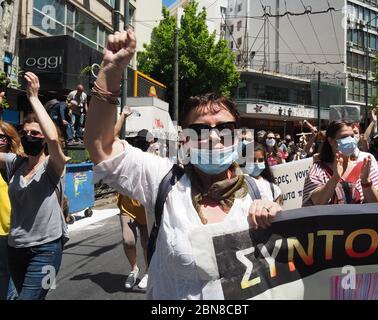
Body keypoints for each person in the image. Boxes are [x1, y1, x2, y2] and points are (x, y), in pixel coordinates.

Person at [84, 28, 282, 300]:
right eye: (200, 130)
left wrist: (275, 216)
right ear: (184, 138)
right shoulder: (162, 180)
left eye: (224, 127)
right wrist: (111, 71)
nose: (213, 137)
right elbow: (101, 147)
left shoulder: (262, 191)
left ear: (238, 134)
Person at [0, 73, 67, 300]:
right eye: (26, 132)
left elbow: (54, 140)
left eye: (35, 133)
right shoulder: (13, 164)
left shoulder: (53, 165)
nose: (30, 136)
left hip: (47, 250)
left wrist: (34, 98)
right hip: (15, 249)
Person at [303, 121, 378, 206]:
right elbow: (317, 202)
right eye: (344, 137)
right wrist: (335, 178)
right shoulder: (318, 169)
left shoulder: (365, 166)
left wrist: (366, 181)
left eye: (352, 136)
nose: (350, 140)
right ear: (331, 141)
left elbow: (376, 204)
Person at [114, 108, 149, 290]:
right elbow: (109, 139)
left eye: (145, 142)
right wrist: (123, 116)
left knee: (146, 242)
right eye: (139, 141)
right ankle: (134, 269)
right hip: (127, 205)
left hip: (145, 207)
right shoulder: (126, 152)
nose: (142, 144)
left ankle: (149, 272)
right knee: (128, 240)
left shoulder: (154, 157)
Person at [0, 117, 22, 300]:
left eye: (1, 137)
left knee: (11, 278)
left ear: (9, 140)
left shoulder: (17, 163)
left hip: (13, 230)